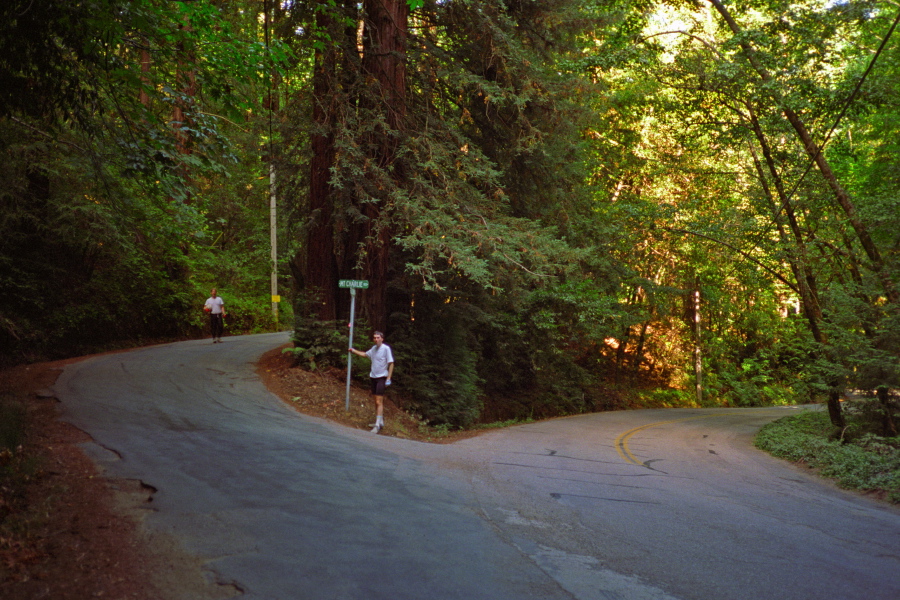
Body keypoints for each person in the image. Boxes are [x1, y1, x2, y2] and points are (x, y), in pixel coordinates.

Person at [349, 331, 394, 433]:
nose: (376, 339)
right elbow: (365, 354)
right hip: (373, 377)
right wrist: (353, 350)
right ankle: (380, 420)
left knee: (379, 401)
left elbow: (391, 363)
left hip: (382, 377)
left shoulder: (386, 349)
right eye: (374, 338)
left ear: (382, 338)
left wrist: (388, 378)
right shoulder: (374, 349)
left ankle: (377, 425)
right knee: (375, 400)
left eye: (378, 338)